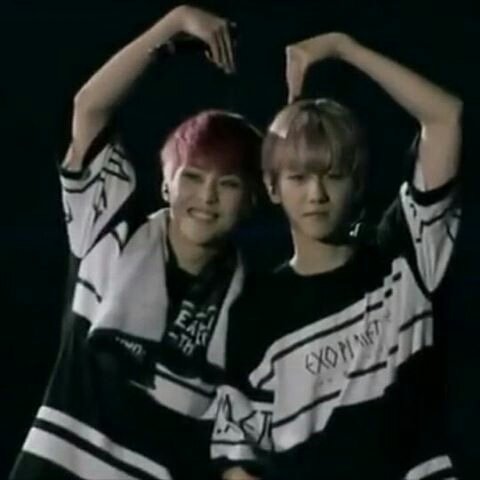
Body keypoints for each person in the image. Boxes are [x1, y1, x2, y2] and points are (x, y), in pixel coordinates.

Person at [10, 5, 262, 480]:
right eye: (192, 177)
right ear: (166, 184)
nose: (207, 197)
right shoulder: (111, 233)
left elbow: (234, 453)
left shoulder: (252, 309)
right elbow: (90, 107)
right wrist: (175, 22)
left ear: (252, 199)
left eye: (228, 183)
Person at [212, 32, 462, 480]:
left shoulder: (402, 258)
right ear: (272, 187)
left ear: (358, 182)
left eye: (333, 175)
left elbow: (445, 117)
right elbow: (237, 456)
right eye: (299, 177)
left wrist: (344, 48)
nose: (317, 194)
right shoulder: (254, 311)